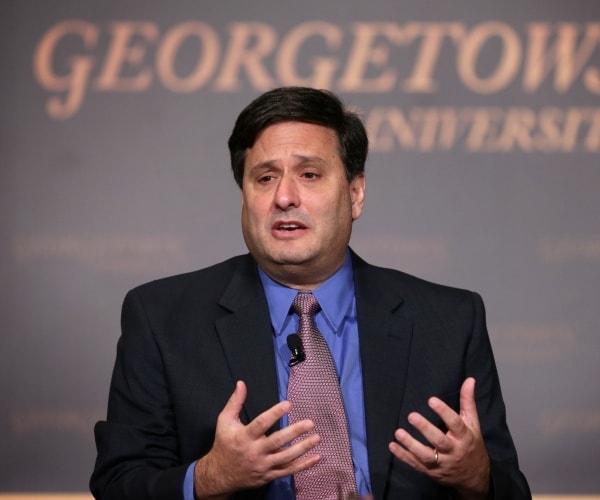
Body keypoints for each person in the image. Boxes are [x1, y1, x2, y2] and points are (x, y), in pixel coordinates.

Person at [90, 87, 531, 499]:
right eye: (264, 178)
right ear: (243, 196)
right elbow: (117, 482)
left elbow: (511, 489)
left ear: (355, 194)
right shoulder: (162, 318)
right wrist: (208, 478)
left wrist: (478, 477)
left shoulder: (449, 320)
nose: (284, 197)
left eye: (309, 174)